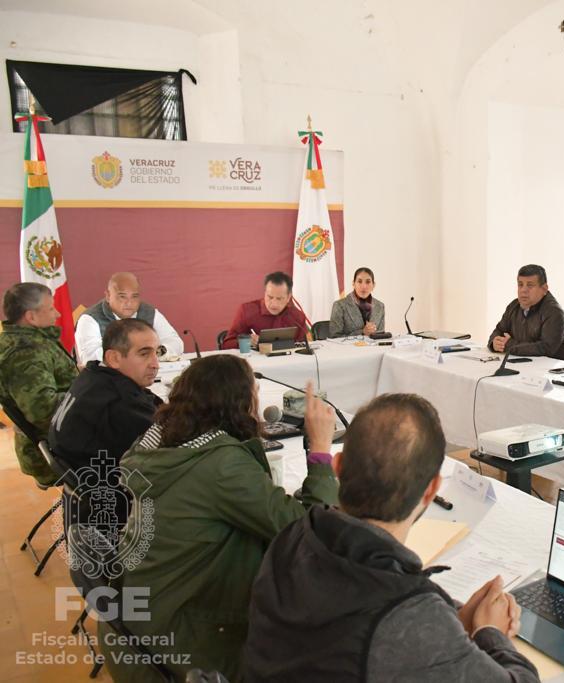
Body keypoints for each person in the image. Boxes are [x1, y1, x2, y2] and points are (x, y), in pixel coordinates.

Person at [244, 393, 539, 682]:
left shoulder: (293, 536)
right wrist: (491, 633)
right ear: (431, 490)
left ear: (338, 467)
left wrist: (451, 620)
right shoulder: (407, 613)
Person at [100, 355, 339, 681]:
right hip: (182, 644)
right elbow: (312, 534)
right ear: (239, 404)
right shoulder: (221, 465)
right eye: (254, 394)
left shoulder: (160, 443)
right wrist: (321, 450)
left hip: (142, 626)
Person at [51, 319, 163, 473]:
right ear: (114, 358)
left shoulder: (93, 374)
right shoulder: (121, 401)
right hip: (112, 481)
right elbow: (169, 443)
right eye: (144, 354)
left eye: (157, 353)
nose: (156, 364)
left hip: (84, 470)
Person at [0, 283, 78, 487]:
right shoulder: (25, 353)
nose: (58, 313)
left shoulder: (26, 340)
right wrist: (90, 395)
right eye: (51, 308)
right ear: (31, 317)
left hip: (64, 435)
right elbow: (43, 410)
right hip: (58, 447)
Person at [75, 272, 184, 363]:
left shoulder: (149, 312)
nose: (129, 303)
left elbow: (176, 342)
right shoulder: (89, 319)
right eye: (122, 297)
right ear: (108, 296)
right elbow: (90, 357)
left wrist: (158, 352)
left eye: (134, 296)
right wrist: (135, 355)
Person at [487, 264, 564, 361]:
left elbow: (545, 348)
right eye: (520, 284)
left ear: (544, 289)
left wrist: (509, 345)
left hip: (556, 368)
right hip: (525, 365)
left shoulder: (555, 312)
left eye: (530, 285)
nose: (523, 290)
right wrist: (494, 342)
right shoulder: (514, 306)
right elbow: (499, 330)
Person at [223, 271, 308, 349]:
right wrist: (245, 341)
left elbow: (304, 346)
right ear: (265, 293)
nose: (274, 304)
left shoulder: (297, 316)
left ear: (288, 297)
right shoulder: (247, 311)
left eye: (279, 299)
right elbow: (226, 345)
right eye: (270, 297)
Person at [329, 267, 385, 337]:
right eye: (359, 281)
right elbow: (334, 337)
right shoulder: (339, 305)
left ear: (373, 285)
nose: (364, 286)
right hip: (350, 345)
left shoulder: (380, 306)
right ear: (353, 284)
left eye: (368, 282)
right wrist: (362, 332)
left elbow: (381, 336)